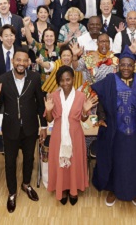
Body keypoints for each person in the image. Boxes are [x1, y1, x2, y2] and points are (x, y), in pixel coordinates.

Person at [91, 46, 136, 207]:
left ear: (134, 66)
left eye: (129, 65)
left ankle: (134, 192)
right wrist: (102, 117)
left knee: (135, 162)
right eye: (123, 65)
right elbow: (101, 99)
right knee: (114, 160)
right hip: (114, 130)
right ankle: (112, 189)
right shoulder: (110, 81)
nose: (126, 68)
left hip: (135, 131)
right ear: (118, 65)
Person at [0, 47, 46, 213]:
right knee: (9, 162)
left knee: (29, 158)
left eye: (24, 60)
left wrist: (43, 126)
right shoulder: (2, 78)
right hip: (10, 128)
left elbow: (40, 103)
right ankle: (12, 192)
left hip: (30, 128)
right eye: (18, 60)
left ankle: (26, 184)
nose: (21, 63)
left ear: (28, 62)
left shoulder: (35, 78)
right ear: (13, 61)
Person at [44, 66, 98, 205]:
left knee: (74, 163)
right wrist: (49, 110)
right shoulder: (53, 96)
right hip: (58, 135)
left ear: (73, 79)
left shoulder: (81, 96)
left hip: (75, 134)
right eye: (62, 80)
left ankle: (73, 190)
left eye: (68, 79)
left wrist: (86, 112)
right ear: (58, 82)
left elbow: (84, 119)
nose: (65, 83)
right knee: (59, 163)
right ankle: (61, 189)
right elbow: (49, 119)